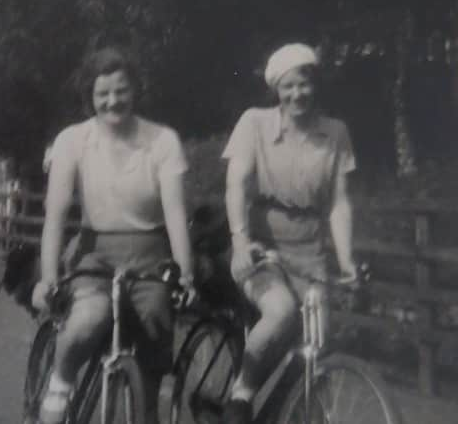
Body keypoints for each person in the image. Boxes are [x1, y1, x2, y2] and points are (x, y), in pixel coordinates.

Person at [31, 45, 194, 424]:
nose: (112, 101)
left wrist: (185, 273)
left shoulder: (163, 140)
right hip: (94, 250)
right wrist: (49, 278)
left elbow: (174, 214)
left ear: (135, 90)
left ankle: (146, 412)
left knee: (155, 320)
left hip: (152, 251)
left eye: (121, 91)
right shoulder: (72, 140)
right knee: (90, 318)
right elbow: (55, 216)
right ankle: (60, 383)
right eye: (102, 93)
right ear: (90, 96)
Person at [221, 43, 357, 423]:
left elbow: (339, 204)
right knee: (280, 313)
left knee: (317, 346)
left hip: (311, 254)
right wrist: (239, 242)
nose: (298, 94)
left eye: (305, 84)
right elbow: (236, 186)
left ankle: (287, 413)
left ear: (316, 85)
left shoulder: (336, 133)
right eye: (289, 86)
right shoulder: (254, 123)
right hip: (263, 250)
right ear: (276, 91)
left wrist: (346, 260)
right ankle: (242, 396)